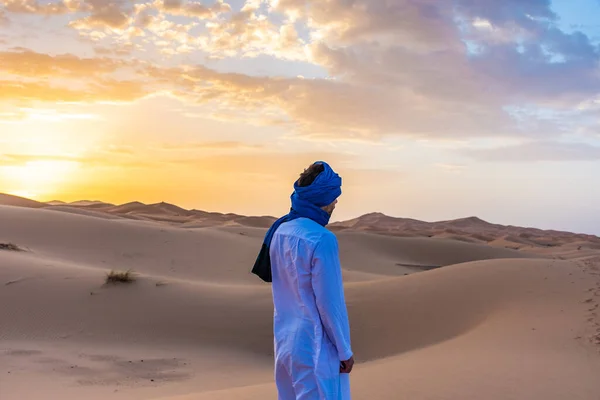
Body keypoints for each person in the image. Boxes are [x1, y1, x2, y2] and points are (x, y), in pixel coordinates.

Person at [252, 161, 354, 399]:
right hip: (315, 346)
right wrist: (344, 351)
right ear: (322, 198)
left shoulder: (281, 230)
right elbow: (329, 303)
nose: (336, 203)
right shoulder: (321, 238)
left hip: (286, 343)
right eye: (333, 197)